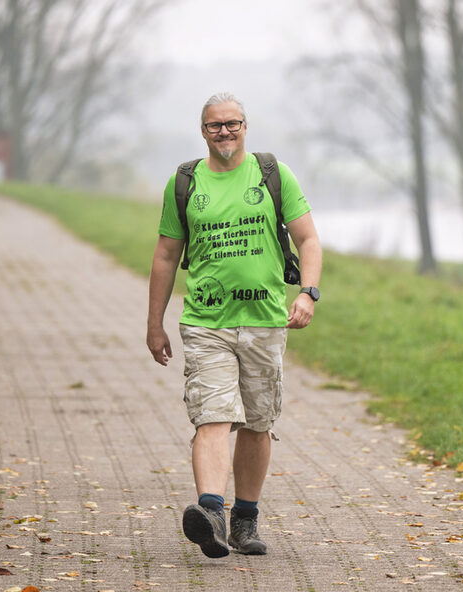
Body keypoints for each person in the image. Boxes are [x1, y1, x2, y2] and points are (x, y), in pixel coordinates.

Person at [147, 92, 322, 558]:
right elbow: (165, 255)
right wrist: (154, 323)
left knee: (258, 423)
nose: (223, 132)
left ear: (246, 126)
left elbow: (307, 239)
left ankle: (245, 519)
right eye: (213, 125)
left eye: (232, 124)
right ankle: (210, 513)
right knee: (213, 415)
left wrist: (307, 292)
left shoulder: (272, 175)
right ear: (202, 130)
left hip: (265, 322)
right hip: (206, 323)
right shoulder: (185, 183)